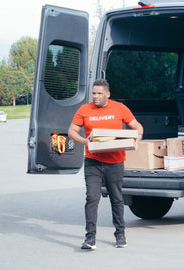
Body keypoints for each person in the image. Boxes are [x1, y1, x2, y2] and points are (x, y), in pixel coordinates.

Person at [68, 79, 143, 250]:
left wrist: (136, 138)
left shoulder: (120, 108)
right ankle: (90, 238)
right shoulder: (84, 110)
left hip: (115, 162)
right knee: (91, 198)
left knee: (117, 199)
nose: (96, 96)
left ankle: (120, 234)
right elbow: (71, 131)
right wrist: (85, 141)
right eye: (94, 93)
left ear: (108, 94)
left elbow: (137, 126)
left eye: (100, 93)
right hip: (93, 161)